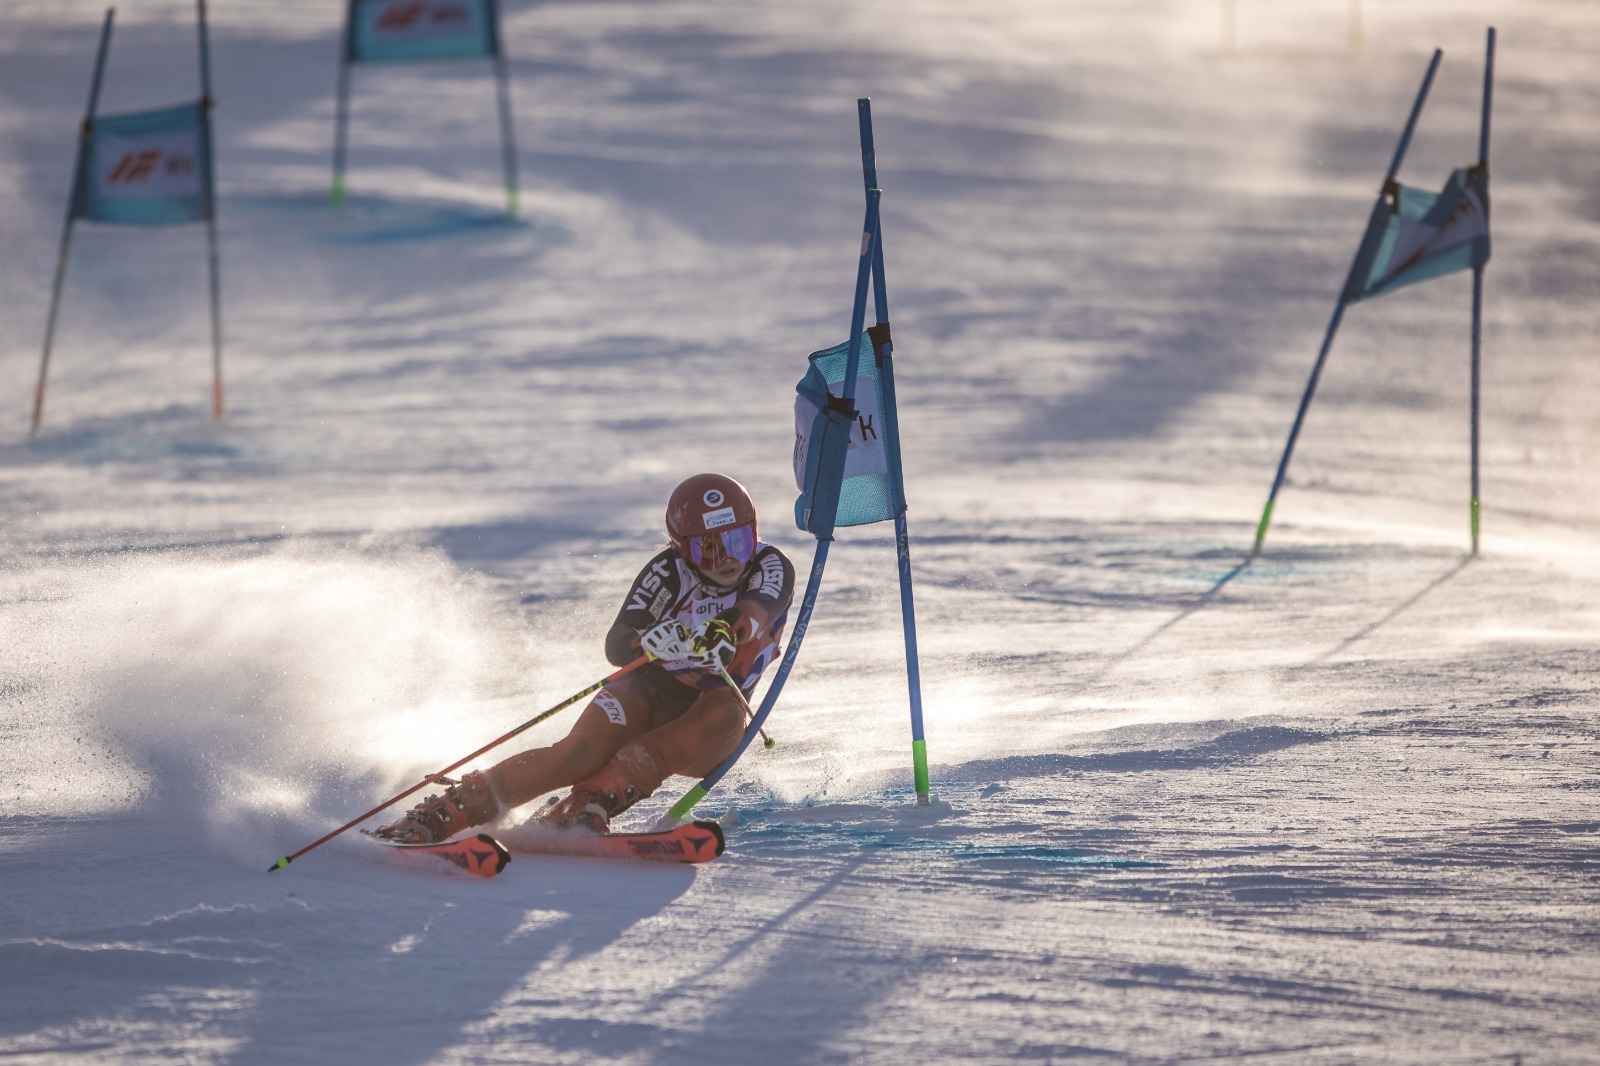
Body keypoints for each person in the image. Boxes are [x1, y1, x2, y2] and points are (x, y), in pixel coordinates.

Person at [375, 473, 795, 843]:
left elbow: (756, 609)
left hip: (710, 724)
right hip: (647, 693)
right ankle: (447, 811)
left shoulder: (769, 565)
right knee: (576, 755)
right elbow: (617, 644)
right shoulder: (667, 571)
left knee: (720, 714)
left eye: (738, 542)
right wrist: (649, 642)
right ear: (682, 548)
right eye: (709, 550)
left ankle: (587, 804)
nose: (727, 561)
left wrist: (722, 629)